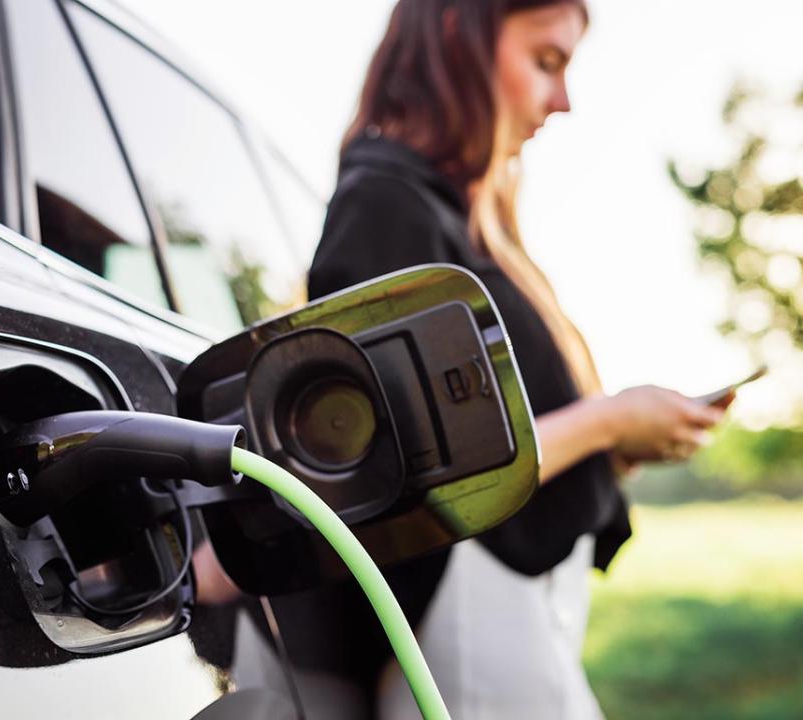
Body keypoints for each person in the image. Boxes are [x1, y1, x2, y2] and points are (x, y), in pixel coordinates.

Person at [215, 1, 730, 717]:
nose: (564, 101)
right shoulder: (388, 207)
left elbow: (477, 427)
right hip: (464, 625)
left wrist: (618, 441)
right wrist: (609, 422)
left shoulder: (456, 218)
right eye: (546, 62)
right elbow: (407, 470)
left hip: (506, 613)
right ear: (462, 35)